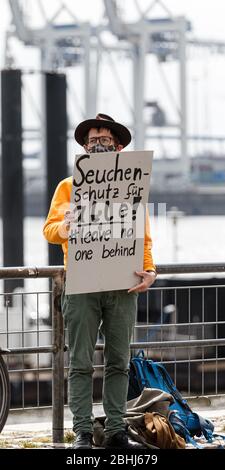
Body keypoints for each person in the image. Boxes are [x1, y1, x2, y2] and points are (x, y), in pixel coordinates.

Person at [43, 113, 157, 449]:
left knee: (119, 361)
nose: (97, 144)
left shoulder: (133, 185)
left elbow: (143, 238)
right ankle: (81, 431)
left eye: (104, 140)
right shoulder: (67, 186)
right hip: (82, 283)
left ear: (119, 146)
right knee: (79, 361)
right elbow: (50, 230)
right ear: (83, 147)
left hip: (124, 283)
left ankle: (116, 431)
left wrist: (150, 271)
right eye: (92, 140)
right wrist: (66, 226)